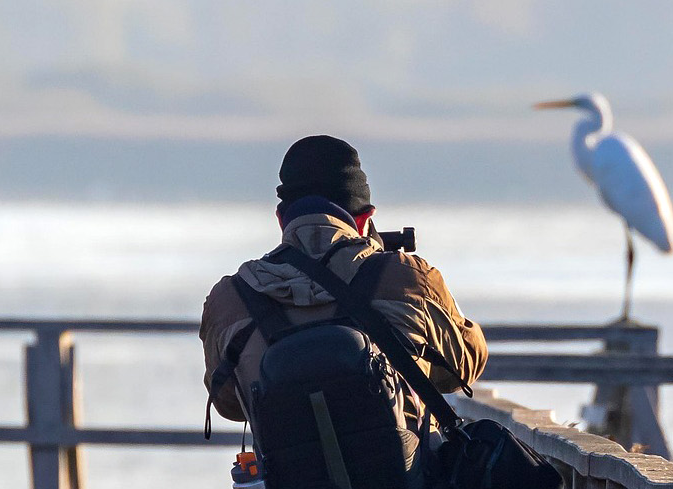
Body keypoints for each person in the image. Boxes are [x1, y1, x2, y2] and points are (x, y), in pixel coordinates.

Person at [200, 135, 489, 470]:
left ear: (281, 219)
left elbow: (228, 405)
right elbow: (465, 367)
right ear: (366, 217)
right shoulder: (408, 277)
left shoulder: (231, 297)